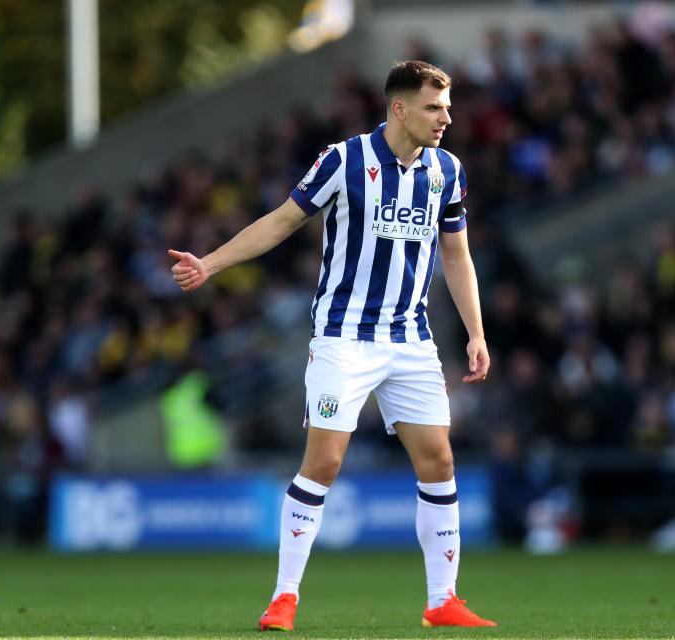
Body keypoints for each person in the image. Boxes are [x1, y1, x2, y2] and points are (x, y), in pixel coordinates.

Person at [168, 60, 496, 631]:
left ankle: (442, 600)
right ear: (399, 109)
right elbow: (281, 221)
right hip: (344, 337)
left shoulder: (447, 170)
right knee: (324, 462)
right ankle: (283, 598)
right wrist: (211, 264)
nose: (445, 118)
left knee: (440, 460)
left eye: (446, 107)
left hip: (411, 338)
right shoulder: (344, 160)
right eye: (433, 107)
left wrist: (476, 332)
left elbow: (456, 253)